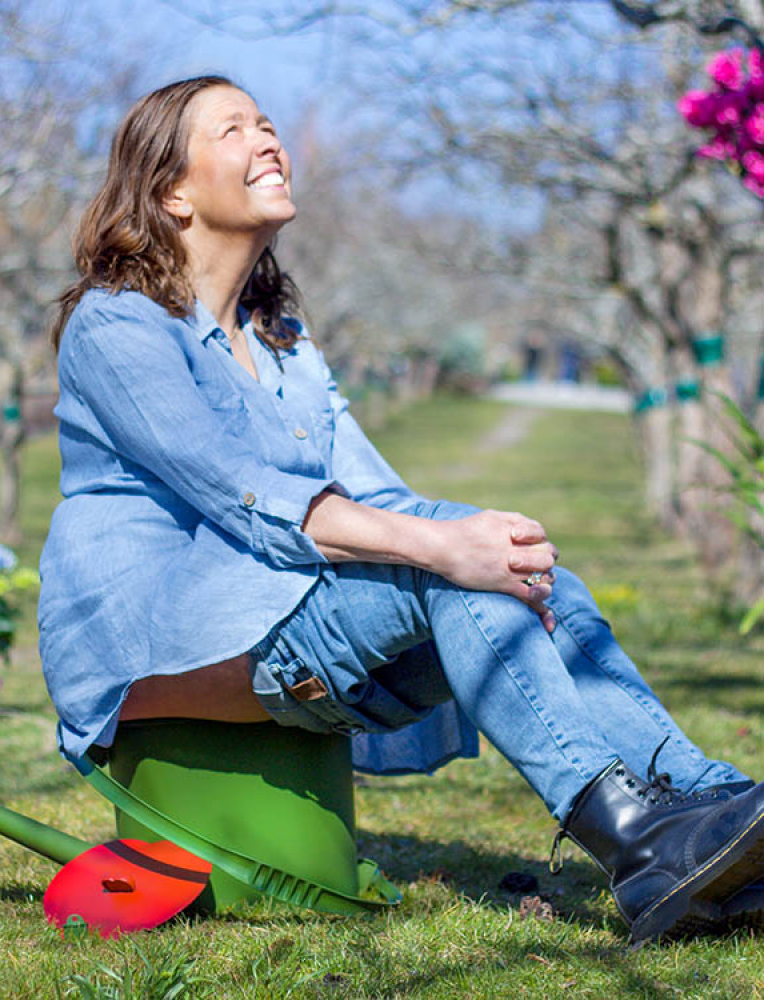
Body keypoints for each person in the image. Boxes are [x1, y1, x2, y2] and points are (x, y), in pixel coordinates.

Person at [38, 75, 764, 946]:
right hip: (159, 639)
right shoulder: (118, 327)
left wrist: (481, 537)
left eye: (268, 123)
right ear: (171, 192)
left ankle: (710, 806)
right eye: (234, 130)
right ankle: (640, 846)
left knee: (535, 582)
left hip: (279, 605)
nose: (268, 140)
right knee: (453, 581)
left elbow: (371, 492)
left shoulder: (279, 338)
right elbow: (247, 496)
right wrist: (445, 552)